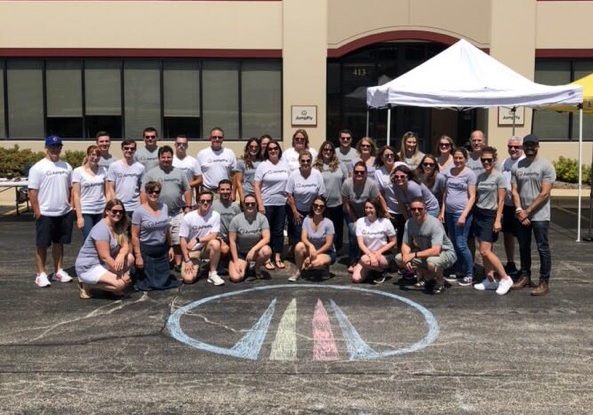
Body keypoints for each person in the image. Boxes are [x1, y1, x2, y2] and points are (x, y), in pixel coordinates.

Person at [511, 134, 556, 296]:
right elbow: (514, 190)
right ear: (523, 147)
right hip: (522, 215)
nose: (530, 147)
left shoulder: (546, 166)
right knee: (523, 247)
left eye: (533, 145)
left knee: (542, 248)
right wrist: (518, 210)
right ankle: (525, 277)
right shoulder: (517, 166)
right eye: (527, 145)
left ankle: (544, 282)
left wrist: (528, 211)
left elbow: (545, 193)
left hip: (540, 216)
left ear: (537, 146)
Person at [28, 135, 74, 287]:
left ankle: (58, 271)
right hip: (45, 213)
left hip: (63, 212)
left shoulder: (66, 167)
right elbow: (32, 192)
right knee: (42, 244)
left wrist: (71, 205)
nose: (55, 149)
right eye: (52, 147)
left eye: (58, 146)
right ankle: (40, 274)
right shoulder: (38, 168)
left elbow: (70, 188)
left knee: (59, 243)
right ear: (46, 148)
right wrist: (37, 211)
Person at [140, 145, 192, 271]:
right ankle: (165, 263)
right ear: (159, 158)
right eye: (163, 157)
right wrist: (146, 210)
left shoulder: (179, 172)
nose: (166, 159)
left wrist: (188, 206)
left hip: (177, 211)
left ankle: (178, 264)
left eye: (169, 157)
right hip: (158, 212)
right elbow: (143, 192)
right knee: (161, 239)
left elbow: (187, 189)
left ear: (172, 158)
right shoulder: (151, 174)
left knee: (178, 239)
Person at [472, 146, 513, 295]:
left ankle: (505, 277)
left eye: (489, 160)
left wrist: (497, 219)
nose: (486, 162)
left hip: (491, 215)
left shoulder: (499, 177)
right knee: (484, 252)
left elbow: (501, 200)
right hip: (479, 214)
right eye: (483, 160)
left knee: (485, 250)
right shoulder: (480, 177)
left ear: (494, 160)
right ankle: (489, 280)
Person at [395, 198, 457, 294]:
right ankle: (429, 275)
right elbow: (406, 244)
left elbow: (436, 250)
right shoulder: (409, 223)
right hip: (425, 253)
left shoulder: (435, 224)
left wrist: (413, 255)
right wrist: (406, 256)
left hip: (445, 253)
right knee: (399, 258)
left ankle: (440, 282)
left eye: (420, 209)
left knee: (431, 262)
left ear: (425, 210)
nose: (416, 211)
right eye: (413, 209)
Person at [75, 199, 133, 299]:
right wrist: (120, 274)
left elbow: (125, 246)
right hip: (89, 266)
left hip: (102, 263)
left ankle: (109, 284)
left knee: (130, 257)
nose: (118, 214)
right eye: (114, 211)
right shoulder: (101, 229)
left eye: (120, 211)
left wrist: (121, 255)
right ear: (107, 211)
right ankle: (86, 285)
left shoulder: (117, 226)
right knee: (120, 284)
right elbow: (105, 257)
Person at [131, 182, 180, 291]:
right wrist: (138, 256)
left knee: (163, 283)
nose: (154, 194)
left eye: (156, 192)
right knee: (151, 284)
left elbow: (166, 228)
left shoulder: (164, 207)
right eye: (151, 191)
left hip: (161, 249)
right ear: (146, 193)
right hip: (146, 249)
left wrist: (170, 246)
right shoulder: (139, 212)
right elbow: (134, 235)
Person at [439, 147, 476, 286]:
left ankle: (470, 273)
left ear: (466, 159)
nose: (458, 160)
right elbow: (445, 194)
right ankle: (458, 269)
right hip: (449, 212)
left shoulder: (469, 174)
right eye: (456, 157)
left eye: (461, 158)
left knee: (461, 244)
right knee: (454, 243)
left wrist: (464, 215)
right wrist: (442, 212)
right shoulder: (448, 172)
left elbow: (472, 197)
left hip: (461, 213)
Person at [342, 161, 386, 273]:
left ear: (366, 173)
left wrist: (372, 217)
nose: (359, 175)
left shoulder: (371, 184)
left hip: (368, 213)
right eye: (356, 172)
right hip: (352, 213)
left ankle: (370, 258)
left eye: (362, 172)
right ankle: (353, 260)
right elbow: (346, 204)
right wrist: (355, 220)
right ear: (353, 173)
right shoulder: (347, 184)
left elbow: (375, 202)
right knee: (353, 231)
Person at [254, 139, 290, 271]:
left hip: (282, 203)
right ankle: (267, 258)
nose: (273, 151)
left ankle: (278, 257)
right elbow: (256, 186)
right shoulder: (263, 166)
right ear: (267, 151)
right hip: (267, 203)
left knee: (279, 231)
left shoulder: (285, 165)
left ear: (279, 150)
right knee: (266, 232)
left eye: (275, 148)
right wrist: (260, 204)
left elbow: (289, 184)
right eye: (270, 149)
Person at [179, 190, 225, 286]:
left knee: (215, 243)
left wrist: (197, 240)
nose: (205, 203)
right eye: (203, 200)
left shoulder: (215, 215)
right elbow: (182, 239)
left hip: (205, 248)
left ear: (211, 202)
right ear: (198, 202)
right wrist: (187, 260)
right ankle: (197, 267)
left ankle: (212, 273)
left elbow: (213, 235)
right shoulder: (188, 217)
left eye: (208, 201)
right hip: (192, 250)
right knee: (188, 279)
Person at [286, 150, 326, 255]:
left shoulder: (317, 174)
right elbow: (290, 195)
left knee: (312, 234)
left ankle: (311, 254)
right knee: (298, 235)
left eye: (308, 161)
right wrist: (295, 212)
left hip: (312, 210)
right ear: (299, 161)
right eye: (303, 161)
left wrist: (317, 212)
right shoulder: (293, 175)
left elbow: (320, 195)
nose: (305, 163)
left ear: (311, 161)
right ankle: (299, 256)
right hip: (298, 210)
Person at [290, 196, 336, 282]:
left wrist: (314, 254)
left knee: (315, 264)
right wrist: (311, 246)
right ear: (312, 206)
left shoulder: (329, 223)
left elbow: (328, 244)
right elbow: (303, 238)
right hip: (312, 249)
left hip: (325, 251)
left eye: (321, 206)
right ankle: (298, 271)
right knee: (299, 246)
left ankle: (325, 268)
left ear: (324, 208)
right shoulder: (307, 220)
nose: (318, 208)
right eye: (316, 205)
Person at [314, 140, 348, 253]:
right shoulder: (316, 166)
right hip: (322, 204)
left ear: (333, 152)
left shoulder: (340, 165)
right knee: (323, 227)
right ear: (321, 151)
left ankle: (337, 249)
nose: (327, 151)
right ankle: (324, 248)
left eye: (330, 150)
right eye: (325, 149)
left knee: (337, 228)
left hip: (338, 202)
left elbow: (346, 182)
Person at [228, 194, 272, 282]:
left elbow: (267, 238)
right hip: (241, 253)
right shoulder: (236, 220)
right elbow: (232, 242)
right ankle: (245, 265)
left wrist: (253, 249)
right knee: (236, 278)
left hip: (255, 252)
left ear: (256, 204)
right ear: (243, 205)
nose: (250, 206)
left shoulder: (262, 218)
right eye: (247, 204)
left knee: (267, 250)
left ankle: (256, 267)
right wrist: (236, 261)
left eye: (253, 203)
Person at [351, 198, 396, 284]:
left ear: (376, 209)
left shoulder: (385, 222)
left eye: (371, 208)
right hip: (367, 254)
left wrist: (379, 252)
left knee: (365, 260)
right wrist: (371, 255)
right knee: (356, 278)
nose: (368, 210)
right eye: (366, 208)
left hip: (383, 254)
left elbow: (393, 241)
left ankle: (382, 270)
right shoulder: (360, 222)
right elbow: (360, 243)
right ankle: (376, 270)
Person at [72, 145, 107, 241]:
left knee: (101, 239)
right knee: (89, 239)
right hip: (86, 211)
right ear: (87, 155)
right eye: (93, 155)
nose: (95, 158)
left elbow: (107, 192)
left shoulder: (103, 170)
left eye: (98, 156)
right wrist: (79, 217)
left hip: (101, 210)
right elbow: (76, 195)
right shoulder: (78, 171)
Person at [500, 136, 525, 275]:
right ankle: (510, 262)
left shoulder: (524, 163)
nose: (513, 149)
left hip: (520, 205)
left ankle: (524, 267)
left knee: (522, 236)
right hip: (507, 205)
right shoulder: (505, 162)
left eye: (516, 147)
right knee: (507, 234)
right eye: (510, 146)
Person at [374, 146, 406, 249]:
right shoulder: (378, 172)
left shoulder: (401, 165)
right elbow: (380, 194)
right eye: (386, 155)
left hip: (405, 208)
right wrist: (385, 211)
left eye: (392, 155)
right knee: (388, 237)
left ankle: (401, 260)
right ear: (382, 158)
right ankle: (388, 260)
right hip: (390, 209)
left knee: (403, 237)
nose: (389, 157)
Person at [106, 139, 145, 219]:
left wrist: (142, 206)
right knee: (120, 231)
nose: (129, 150)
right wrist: (116, 204)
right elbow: (111, 188)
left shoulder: (140, 167)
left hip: (136, 207)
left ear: (135, 150)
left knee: (134, 231)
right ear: (122, 149)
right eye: (126, 148)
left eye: (132, 148)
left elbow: (142, 189)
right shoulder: (114, 166)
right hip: (120, 208)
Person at [196, 127, 237, 197]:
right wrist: (197, 194)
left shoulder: (229, 153)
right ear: (210, 138)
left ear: (223, 139)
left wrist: (233, 193)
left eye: (219, 137)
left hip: (225, 192)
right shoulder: (202, 154)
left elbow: (235, 175)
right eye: (214, 137)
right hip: (207, 191)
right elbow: (196, 175)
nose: (217, 139)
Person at [212, 179, 242, 260]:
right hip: (217, 238)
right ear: (218, 191)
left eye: (228, 189)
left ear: (231, 191)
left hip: (232, 239)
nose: (225, 192)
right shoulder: (212, 205)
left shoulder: (235, 206)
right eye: (222, 189)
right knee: (223, 249)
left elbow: (240, 224)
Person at [172, 134, 202, 200]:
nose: (181, 146)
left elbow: (200, 180)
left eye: (184, 144)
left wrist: (186, 185)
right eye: (179, 144)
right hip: (173, 195)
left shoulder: (193, 161)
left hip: (188, 195)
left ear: (187, 146)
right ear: (175, 145)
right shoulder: (170, 160)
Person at [233, 137, 261, 204]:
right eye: (251, 146)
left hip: (260, 194)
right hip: (247, 193)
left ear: (259, 148)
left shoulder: (262, 162)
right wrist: (242, 196)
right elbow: (238, 181)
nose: (254, 149)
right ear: (248, 147)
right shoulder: (241, 162)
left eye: (256, 147)